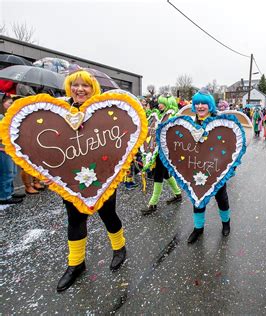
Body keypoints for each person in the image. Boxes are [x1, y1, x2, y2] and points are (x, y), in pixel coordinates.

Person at [56, 70, 126, 292]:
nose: (79, 89)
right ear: (69, 87)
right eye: (75, 85)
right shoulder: (60, 112)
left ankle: (119, 247)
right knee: (75, 220)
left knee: (108, 214)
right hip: (72, 179)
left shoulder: (103, 111)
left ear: (93, 88)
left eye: (85, 85)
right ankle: (76, 264)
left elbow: (119, 138)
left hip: (103, 175)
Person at [186, 88, 232, 244]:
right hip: (197, 169)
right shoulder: (190, 123)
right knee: (197, 198)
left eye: (203, 103)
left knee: (221, 197)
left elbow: (230, 144)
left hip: (216, 168)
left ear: (210, 105)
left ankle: (226, 223)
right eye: (197, 103)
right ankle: (198, 228)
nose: (200, 106)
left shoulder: (219, 122)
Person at [141, 94, 182, 215]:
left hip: (165, 151)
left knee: (158, 176)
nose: (159, 104)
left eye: (162, 102)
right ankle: (178, 194)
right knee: (165, 175)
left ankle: (153, 204)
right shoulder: (160, 115)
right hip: (157, 150)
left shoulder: (173, 116)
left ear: (169, 103)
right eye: (159, 102)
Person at [0, 95, 24, 205]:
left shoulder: (6, 115)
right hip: (2, 149)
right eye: (9, 103)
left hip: (9, 148)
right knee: (6, 172)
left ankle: (10, 191)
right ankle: (4, 196)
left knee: (12, 171)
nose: (11, 105)